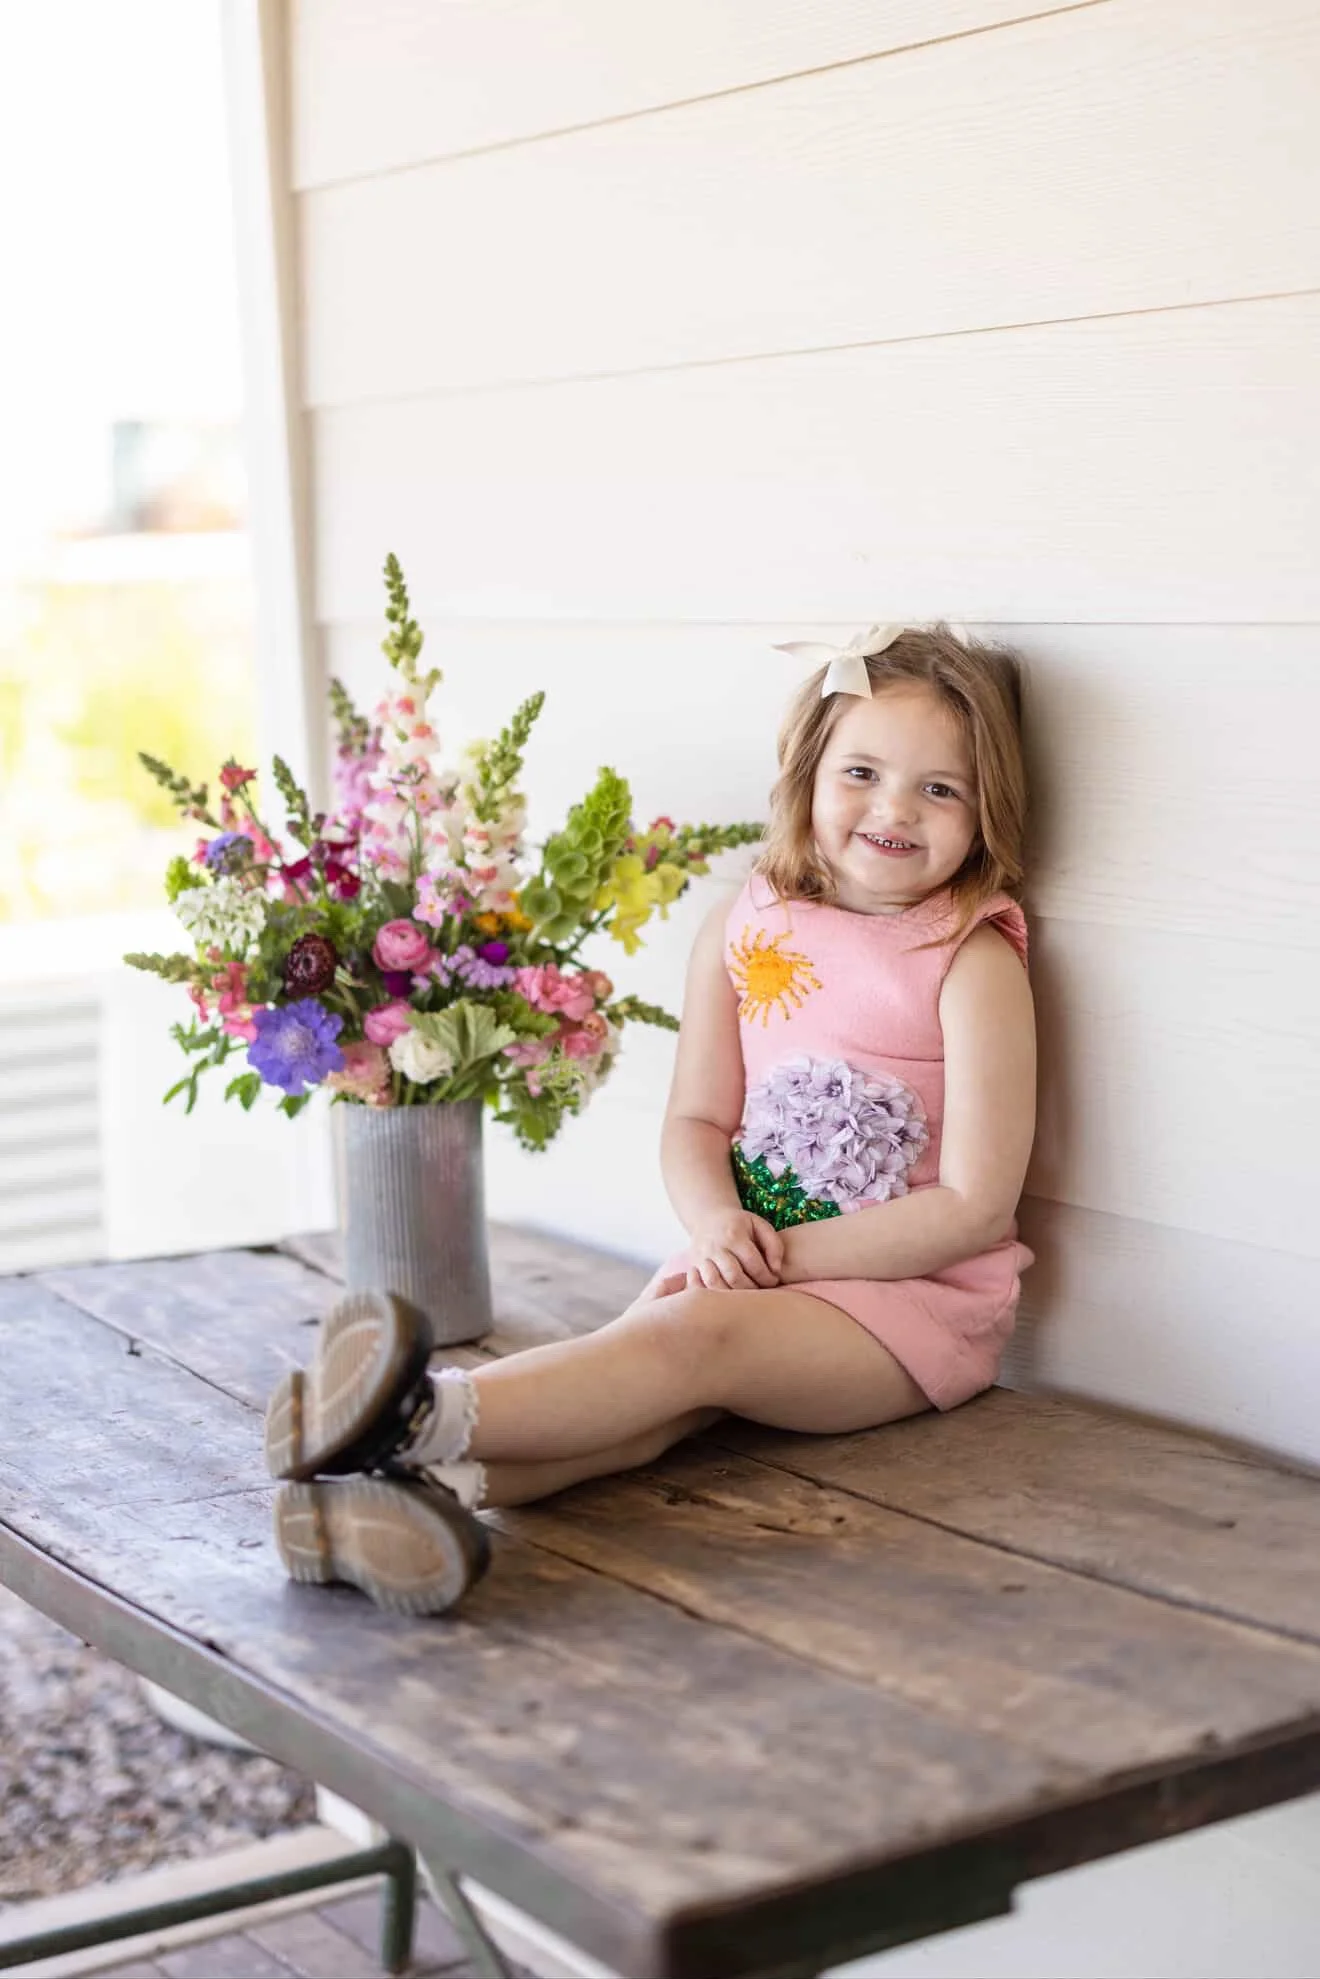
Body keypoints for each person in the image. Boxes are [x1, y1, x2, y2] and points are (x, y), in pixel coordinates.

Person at [266, 621, 1037, 1614]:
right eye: (863, 770)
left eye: (942, 787)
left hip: (909, 1310)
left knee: (687, 1346)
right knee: (648, 1414)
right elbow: (697, 1120)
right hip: (744, 1262)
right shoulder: (745, 920)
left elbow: (975, 1207)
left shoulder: (970, 960)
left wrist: (777, 1263)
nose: (895, 807)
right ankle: (391, 1504)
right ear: (806, 772)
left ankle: (404, 1414)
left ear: (987, 812)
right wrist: (719, 1225)